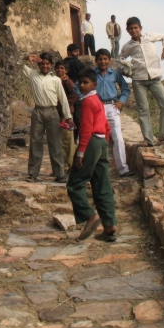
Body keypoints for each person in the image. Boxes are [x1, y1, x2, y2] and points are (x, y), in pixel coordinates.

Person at [67, 68, 118, 242]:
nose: (81, 85)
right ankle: (110, 225)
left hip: (91, 143)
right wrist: (104, 145)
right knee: (102, 184)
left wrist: (80, 153)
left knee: (74, 183)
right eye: (80, 82)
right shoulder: (98, 100)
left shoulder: (88, 102)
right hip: (101, 142)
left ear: (94, 84)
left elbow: (86, 129)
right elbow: (106, 127)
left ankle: (90, 215)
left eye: (85, 82)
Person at [119, 17, 164, 146]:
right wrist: (126, 69)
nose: (134, 30)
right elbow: (120, 58)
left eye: (136, 28)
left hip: (154, 77)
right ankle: (148, 139)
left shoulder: (149, 36)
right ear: (128, 31)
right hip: (138, 79)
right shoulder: (128, 46)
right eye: (131, 28)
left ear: (140, 28)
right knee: (143, 109)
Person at [21, 52, 73, 183]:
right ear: (38, 64)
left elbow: (63, 98)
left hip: (52, 111)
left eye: (47, 64)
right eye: (42, 63)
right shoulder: (32, 75)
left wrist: (68, 116)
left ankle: (59, 173)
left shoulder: (55, 80)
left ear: (51, 65)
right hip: (38, 111)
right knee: (35, 142)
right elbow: (18, 65)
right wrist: (26, 58)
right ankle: (33, 173)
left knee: (55, 143)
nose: (45, 66)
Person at [94, 49, 132, 176]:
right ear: (96, 61)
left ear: (109, 60)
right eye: (100, 59)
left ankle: (123, 169)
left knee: (118, 138)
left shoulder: (114, 74)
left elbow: (125, 89)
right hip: (97, 108)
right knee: (97, 138)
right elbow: (79, 87)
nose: (103, 61)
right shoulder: (92, 74)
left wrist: (121, 101)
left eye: (105, 59)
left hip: (112, 106)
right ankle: (97, 171)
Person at [55, 60, 78, 171]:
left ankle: (69, 164)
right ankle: (64, 163)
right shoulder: (57, 81)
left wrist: (66, 105)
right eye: (58, 68)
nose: (60, 70)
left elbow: (75, 93)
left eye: (62, 68)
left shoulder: (67, 82)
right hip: (59, 113)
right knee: (61, 139)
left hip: (67, 114)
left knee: (67, 139)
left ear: (66, 70)